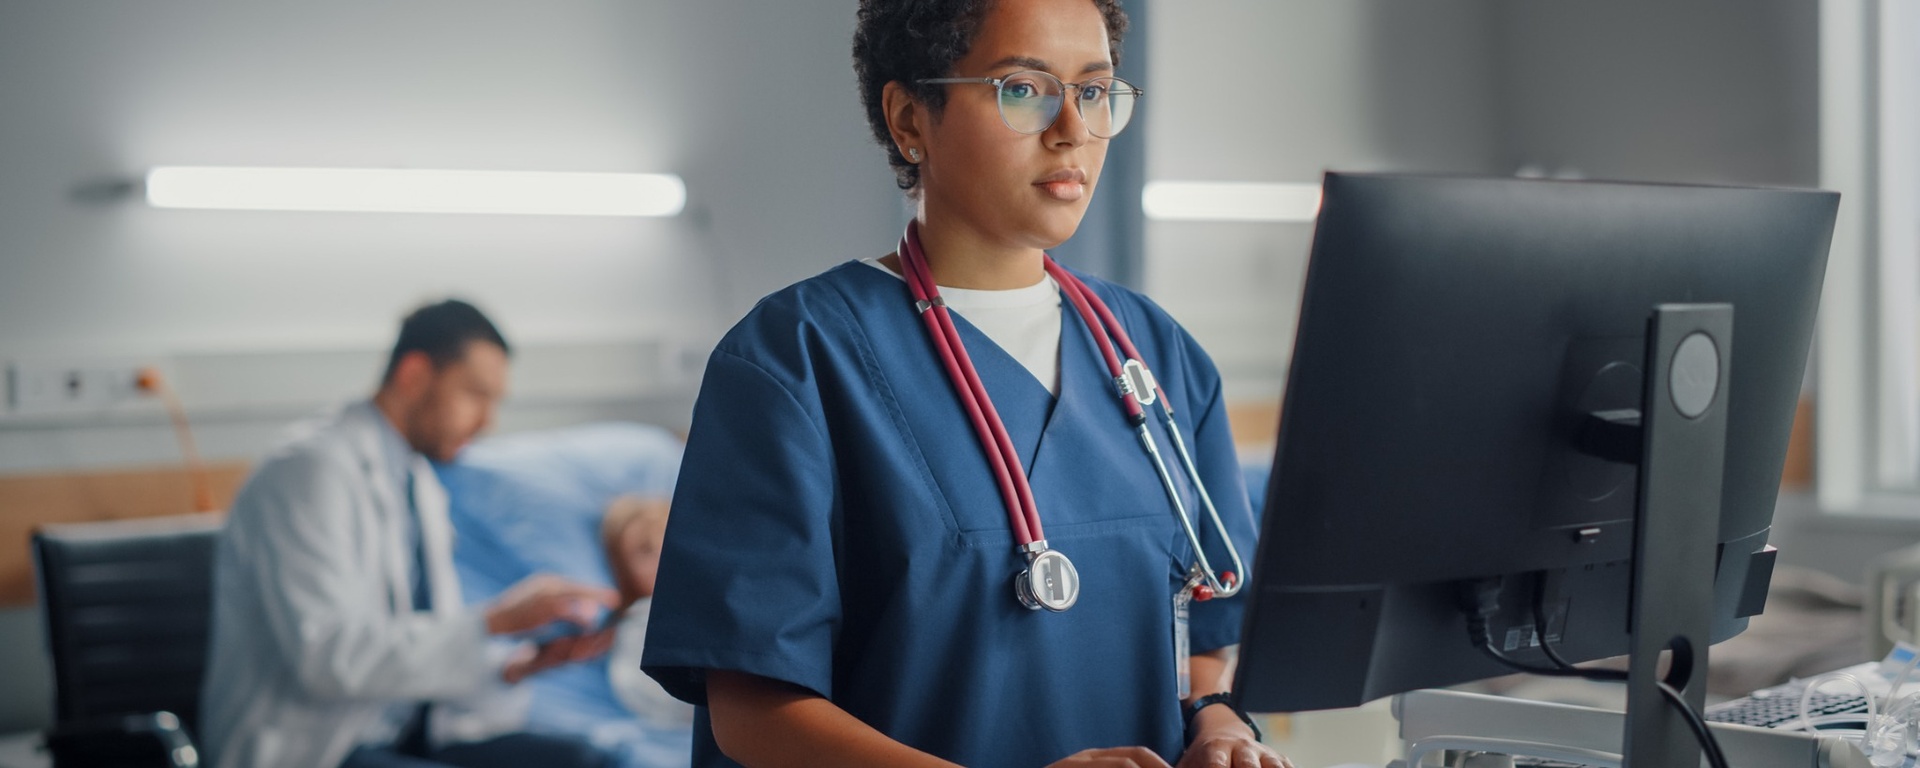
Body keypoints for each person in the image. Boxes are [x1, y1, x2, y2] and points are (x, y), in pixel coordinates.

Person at [641, 1, 1289, 766]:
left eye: (1093, 91)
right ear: (911, 118)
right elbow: (753, 715)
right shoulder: (795, 358)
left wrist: (1218, 725)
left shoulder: (1157, 356)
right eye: (1023, 90)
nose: (1072, 129)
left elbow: (1205, 636)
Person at [200, 299, 619, 768]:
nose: (487, 422)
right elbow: (329, 659)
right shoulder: (307, 471)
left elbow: (417, 642)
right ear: (415, 373)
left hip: (405, 733)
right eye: (476, 395)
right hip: (316, 750)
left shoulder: (418, 482)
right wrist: (494, 621)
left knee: (587, 761)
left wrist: (512, 665)